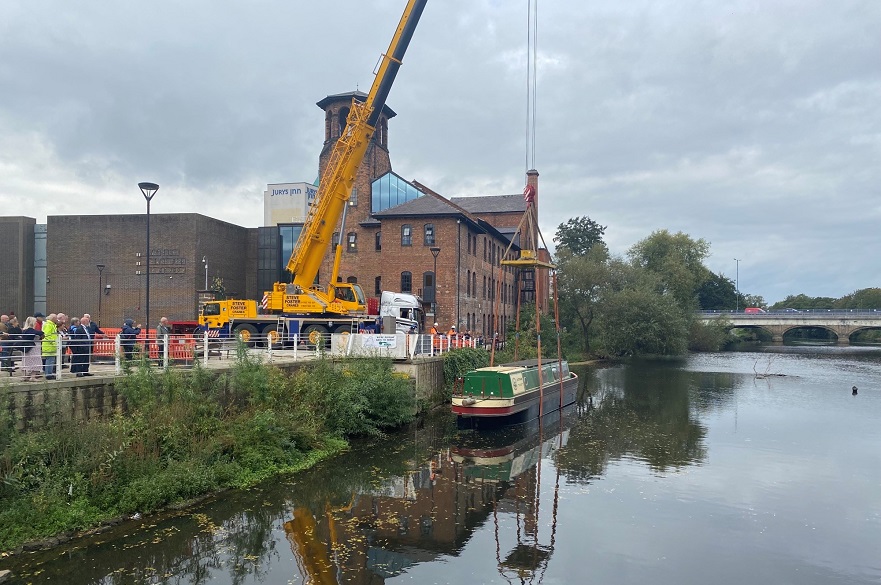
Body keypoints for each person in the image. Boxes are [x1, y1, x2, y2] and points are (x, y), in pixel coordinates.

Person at [19, 317, 44, 381]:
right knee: (35, 361)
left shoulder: (24, 330)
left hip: (26, 348)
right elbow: (41, 333)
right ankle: (33, 377)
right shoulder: (31, 330)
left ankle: (24, 376)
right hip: (33, 348)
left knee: (25, 361)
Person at [41, 313, 59, 380]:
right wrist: (54, 342)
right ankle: (48, 374)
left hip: (50, 345)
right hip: (49, 345)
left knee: (50, 360)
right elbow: (47, 335)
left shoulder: (51, 325)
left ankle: (49, 373)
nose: (57, 319)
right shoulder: (49, 325)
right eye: (56, 318)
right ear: (53, 319)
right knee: (50, 360)